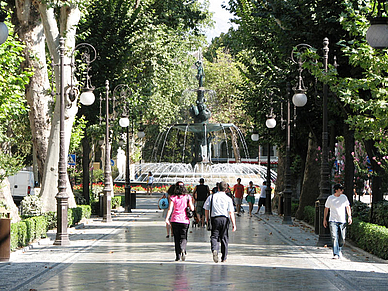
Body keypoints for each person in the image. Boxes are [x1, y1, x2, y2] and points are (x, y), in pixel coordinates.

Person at [204, 181, 236, 263]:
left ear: (218, 188)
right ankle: (224, 257)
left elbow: (206, 208)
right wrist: (233, 224)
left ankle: (215, 249)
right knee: (224, 237)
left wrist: (207, 219)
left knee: (214, 236)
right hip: (224, 219)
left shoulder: (211, 197)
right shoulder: (228, 199)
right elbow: (231, 212)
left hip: (215, 218)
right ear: (226, 189)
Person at [165, 181, 194, 261]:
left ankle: (177, 256)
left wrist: (167, 218)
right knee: (184, 237)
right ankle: (183, 249)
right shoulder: (188, 197)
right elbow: (192, 208)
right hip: (184, 220)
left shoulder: (173, 198)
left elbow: (170, 209)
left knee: (176, 238)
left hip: (175, 220)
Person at [323, 183, 352, 259]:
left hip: (342, 220)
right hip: (333, 220)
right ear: (336, 190)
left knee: (342, 237)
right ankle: (335, 253)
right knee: (334, 237)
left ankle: (339, 250)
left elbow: (347, 207)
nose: (342, 191)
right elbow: (326, 209)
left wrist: (349, 216)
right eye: (340, 189)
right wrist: (324, 219)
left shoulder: (344, 197)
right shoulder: (330, 198)